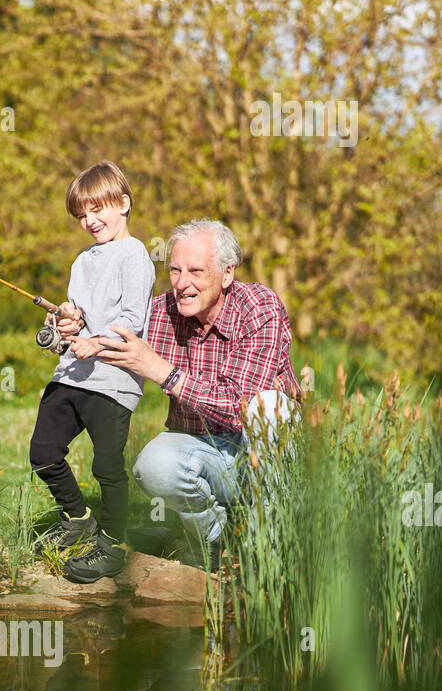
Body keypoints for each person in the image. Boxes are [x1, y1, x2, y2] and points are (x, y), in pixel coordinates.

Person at [62, 218, 301, 572]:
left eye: (196, 271)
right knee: (152, 465)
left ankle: (267, 545)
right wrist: (75, 324)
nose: (182, 283)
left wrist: (163, 371)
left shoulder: (258, 307)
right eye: (175, 270)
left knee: (271, 407)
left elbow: (239, 407)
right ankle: (213, 537)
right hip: (201, 448)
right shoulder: (161, 312)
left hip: (260, 451)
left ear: (226, 274)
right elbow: (108, 333)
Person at [29, 161, 155, 584]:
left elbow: (133, 320)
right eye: (82, 214)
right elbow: (75, 317)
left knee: (107, 467)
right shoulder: (82, 261)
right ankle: (78, 517)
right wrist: (64, 324)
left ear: (123, 204)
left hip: (112, 381)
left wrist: (97, 342)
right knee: (43, 452)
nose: (89, 221)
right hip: (71, 375)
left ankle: (115, 545)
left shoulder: (135, 255)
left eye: (96, 209)